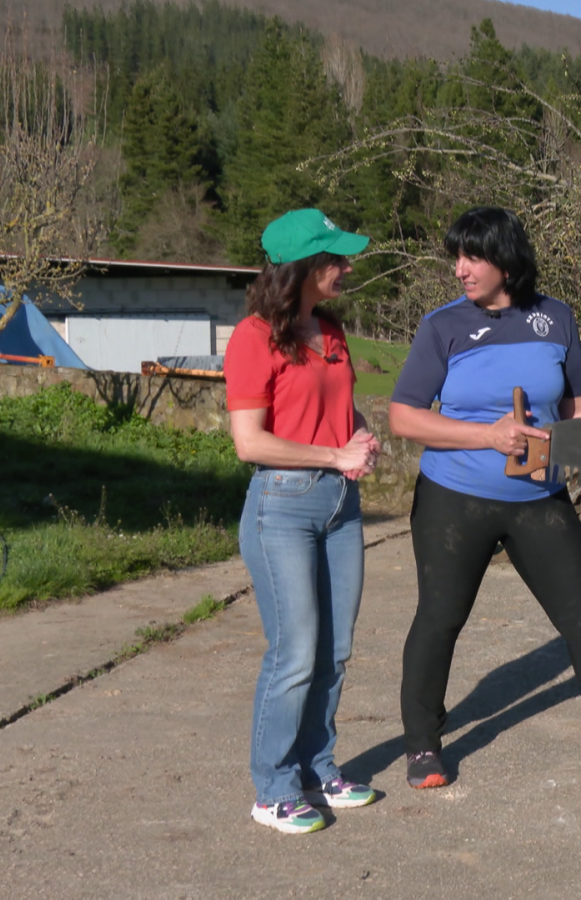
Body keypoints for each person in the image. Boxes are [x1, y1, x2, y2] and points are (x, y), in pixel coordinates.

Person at [388, 206, 581, 790]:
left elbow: (580, 411)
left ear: (506, 259)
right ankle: (422, 746)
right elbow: (404, 417)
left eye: (473, 257)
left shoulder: (556, 319)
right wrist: (487, 436)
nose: (461, 269)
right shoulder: (442, 327)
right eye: (457, 257)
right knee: (440, 619)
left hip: (541, 497)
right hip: (454, 498)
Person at [224, 208, 382, 834]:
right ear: (303, 268)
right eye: (335, 259)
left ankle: (318, 769)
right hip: (282, 506)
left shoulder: (331, 330)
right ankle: (274, 789)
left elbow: (343, 409)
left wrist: (361, 437)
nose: (346, 268)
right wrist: (334, 456)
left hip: (341, 506)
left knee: (335, 651)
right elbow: (249, 442)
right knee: (295, 651)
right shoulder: (253, 337)